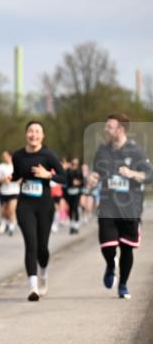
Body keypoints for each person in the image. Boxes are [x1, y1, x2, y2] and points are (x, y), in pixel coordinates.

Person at [88, 113, 152, 300]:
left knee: (127, 248)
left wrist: (132, 173)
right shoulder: (102, 151)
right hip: (108, 206)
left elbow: (149, 175)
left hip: (130, 207)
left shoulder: (136, 152)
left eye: (109, 126)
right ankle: (110, 264)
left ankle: (123, 285)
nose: (105, 129)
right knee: (107, 245)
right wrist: (93, 178)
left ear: (121, 129)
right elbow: (97, 173)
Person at [1, 121, 65, 301]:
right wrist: (11, 178)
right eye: (31, 131)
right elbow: (17, 174)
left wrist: (48, 175)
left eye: (37, 132)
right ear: (26, 134)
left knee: (42, 248)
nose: (34, 134)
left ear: (42, 136)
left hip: (45, 205)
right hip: (25, 205)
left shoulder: (48, 155)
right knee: (31, 244)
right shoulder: (18, 156)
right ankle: (33, 287)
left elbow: (64, 177)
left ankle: (43, 276)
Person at [0, 152, 19, 235]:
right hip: (3, 191)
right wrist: (3, 180)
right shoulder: (1, 166)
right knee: (3, 210)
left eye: (5, 156)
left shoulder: (16, 165)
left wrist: (14, 180)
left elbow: (21, 178)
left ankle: (11, 226)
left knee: (11, 209)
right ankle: (5, 222)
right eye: (3, 156)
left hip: (14, 191)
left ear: (10, 156)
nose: (4, 158)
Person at [64, 158, 84, 235]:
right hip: (69, 192)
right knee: (71, 209)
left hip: (77, 192)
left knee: (75, 208)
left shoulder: (79, 171)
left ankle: (76, 226)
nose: (75, 165)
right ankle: (72, 226)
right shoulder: (68, 171)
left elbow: (82, 182)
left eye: (76, 164)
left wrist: (78, 183)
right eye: (73, 163)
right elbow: (65, 181)